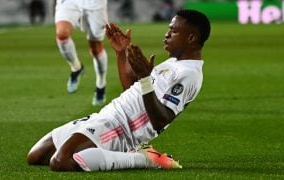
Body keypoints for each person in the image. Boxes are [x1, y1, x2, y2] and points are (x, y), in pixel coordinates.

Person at [27, 9, 211, 171]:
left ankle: (143, 159)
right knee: (35, 156)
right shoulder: (173, 62)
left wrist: (146, 78)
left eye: (174, 30)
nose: (167, 34)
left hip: (121, 130)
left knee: (60, 161)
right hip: (105, 115)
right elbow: (132, 90)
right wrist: (121, 52)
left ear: (192, 38)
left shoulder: (189, 74)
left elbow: (160, 120)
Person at [55, 0, 109, 106]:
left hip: (95, 3)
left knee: (95, 49)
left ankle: (101, 84)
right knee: (62, 34)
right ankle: (76, 68)